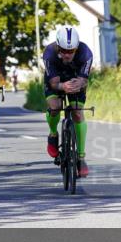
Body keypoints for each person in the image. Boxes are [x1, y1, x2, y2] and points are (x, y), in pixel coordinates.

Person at [43, 26, 93, 177]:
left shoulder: (86, 53)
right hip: (55, 81)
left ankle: (81, 157)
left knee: (77, 113)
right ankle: (52, 134)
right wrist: (61, 86)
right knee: (55, 107)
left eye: (70, 51)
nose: (66, 55)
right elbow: (53, 83)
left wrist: (79, 83)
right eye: (63, 50)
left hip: (75, 80)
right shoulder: (49, 53)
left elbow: (84, 80)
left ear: (76, 49)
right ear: (57, 46)